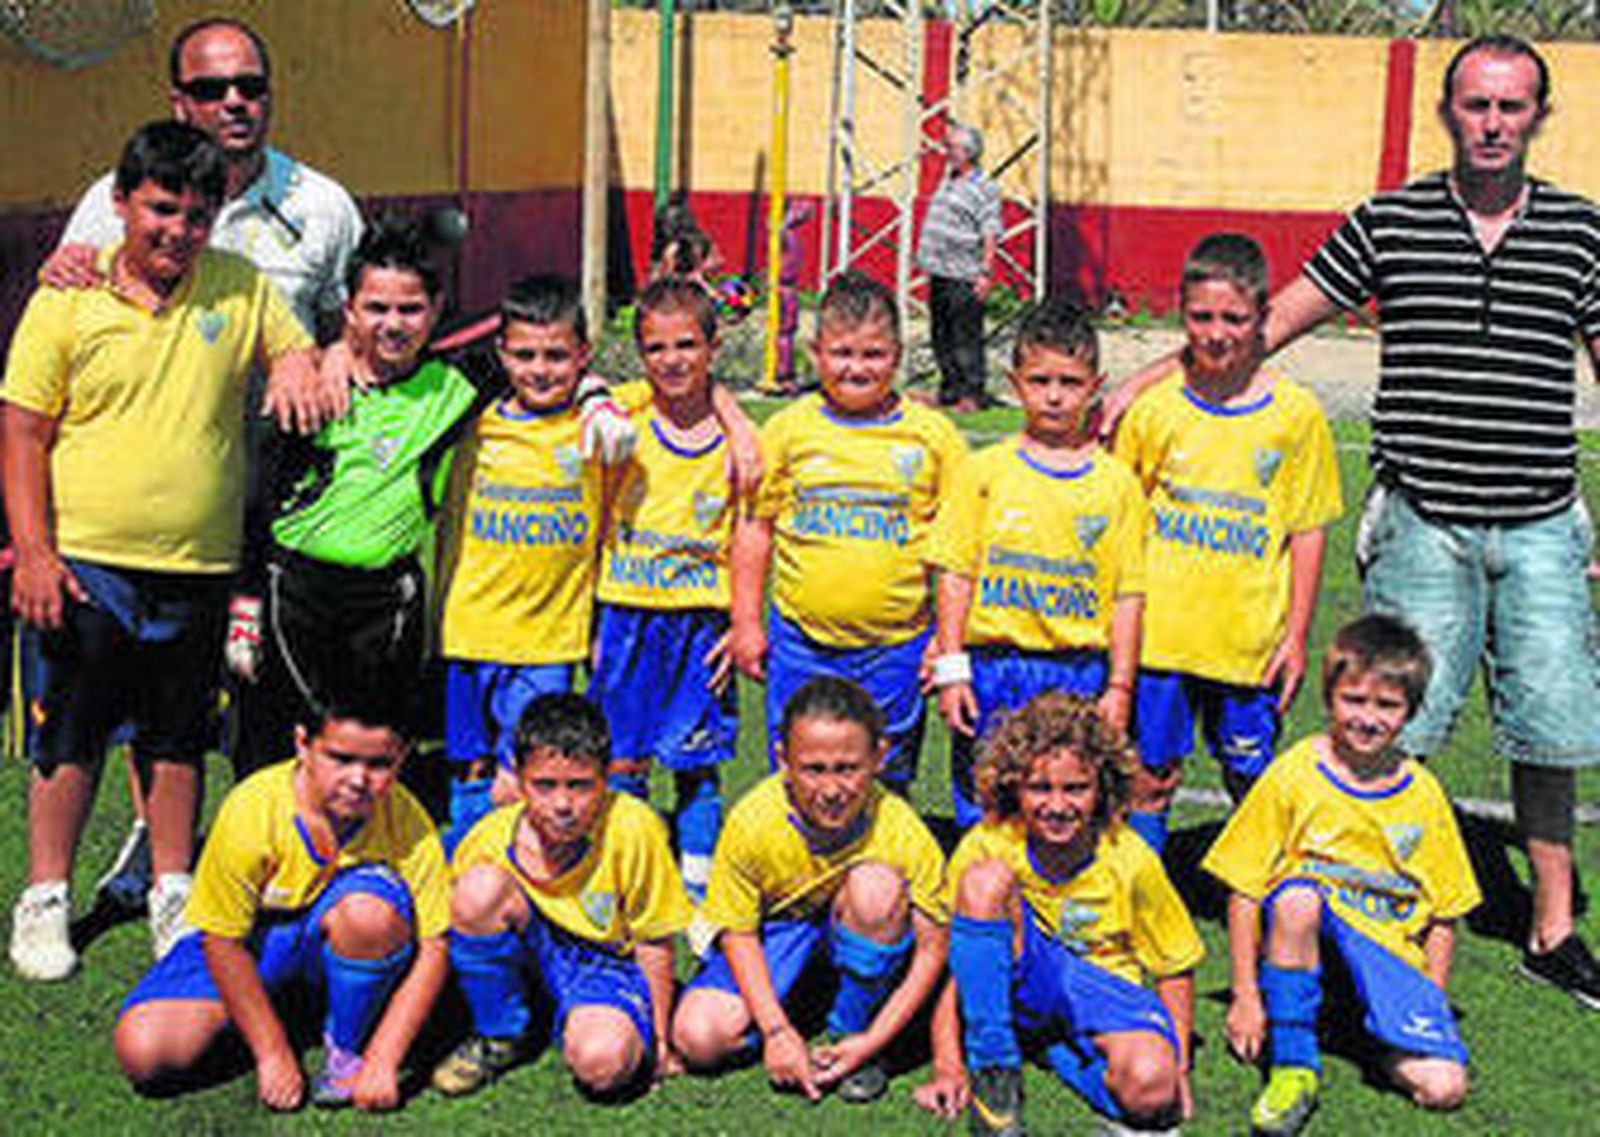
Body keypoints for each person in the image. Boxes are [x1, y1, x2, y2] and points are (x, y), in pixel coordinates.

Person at [1109, 34, 1600, 1004]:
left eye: (1511, 107)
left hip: (1541, 521)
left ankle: (1552, 929)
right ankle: (1365, 916)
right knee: (1388, 731)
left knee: (1548, 734)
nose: (1492, 123)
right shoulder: (1389, 219)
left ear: (1538, 116)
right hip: (1421, 521)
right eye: (1475, 105)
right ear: (1447, 112)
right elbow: (1275, 318)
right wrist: (1149, 373)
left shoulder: (1582, 232)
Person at [37, 15, 364, 912]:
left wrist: (315, 354)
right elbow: (65, 319)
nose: (235, 103)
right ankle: (154, 853)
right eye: (213, 89)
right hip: (151, 504)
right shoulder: (108, 198)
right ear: (177, 99)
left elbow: (354, 327)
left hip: (285, 498)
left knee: (266, 688)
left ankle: (279, 850)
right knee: (146, 697)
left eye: (250, 87)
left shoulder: (324, 204)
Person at [4, 121, 331, 980]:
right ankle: (44, 896)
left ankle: (172, 888)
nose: (177, 230)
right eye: (160, 209)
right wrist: (33, 550)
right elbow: (24, 431)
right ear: (121, 205)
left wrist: (295, 363)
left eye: (195, 214)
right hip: (85, 565)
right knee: (66, 738)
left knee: (177, 738)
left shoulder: (239, 285)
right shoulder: (65, 298)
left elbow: (296, 348)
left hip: (198, 566)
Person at [1202, 615, 1479, 1134]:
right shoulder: (1295, 772)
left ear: (1410, 712)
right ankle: (1294, 1064)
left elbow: (1445, 914)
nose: (1368, 718)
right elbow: (1243, 888)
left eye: (1387, 705)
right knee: (1298, 898)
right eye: (1355, 700)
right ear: (1330, 698)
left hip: (1383, 961)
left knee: (1444, 1088)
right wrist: (1245, 995)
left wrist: (1428, 1001)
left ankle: (1364, 1033)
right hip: (1305, 943)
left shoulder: (1422, 793)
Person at [1112, 233, 1341, 852]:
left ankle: (1264, 900)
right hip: (1161, 639)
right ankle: (1147, 902)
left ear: (1263, 319)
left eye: (1234, 318)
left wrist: (1295, 635)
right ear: (1180, 315)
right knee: (1150, 778)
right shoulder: (1154, 410)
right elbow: (1122, 525)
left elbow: (1308, 530)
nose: (1216, 333)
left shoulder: (1296, 415)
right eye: (1201, 316)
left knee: (1250, 777)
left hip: (1249, 643)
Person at [111, 694, 450, 1112]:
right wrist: (271, 1052)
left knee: (370, 914)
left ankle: (347, 1045)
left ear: (402, 758)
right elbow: (222, 941)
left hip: (345, 929)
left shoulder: (407, 818)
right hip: (257, 941)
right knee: (144, 1050)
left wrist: (384, 1059)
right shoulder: (252, 809)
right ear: (302, 745)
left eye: (379, 764)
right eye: (340, 758)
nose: (358, 779)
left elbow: (436, 945)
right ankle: (287, 1011)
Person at [236, 216, 486, 773]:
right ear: (349, 309)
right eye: (376, 308)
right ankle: (267, 851)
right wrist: (245, 599)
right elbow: (260, 496)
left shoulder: (457, 386)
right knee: (279, 741)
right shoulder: (312, 391)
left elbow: (541, 348)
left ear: (437, 309)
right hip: (293, 590)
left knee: (373, 747)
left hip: (387, 598)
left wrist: (593, 392)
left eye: (410, 309)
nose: (393, 325)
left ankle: (371, 854)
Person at [917, 691, 1200, 1134]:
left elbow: (1175, 967)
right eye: (1039, 787)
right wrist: (948, 1063)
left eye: (1075, 788)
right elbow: (957, 964)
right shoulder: (989, 843)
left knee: (1151, 1089)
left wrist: (1177, 1067)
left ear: (1102, 788)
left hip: (1101, 989)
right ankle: (995, 1071)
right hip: (1027, 974)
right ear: (1014, 786)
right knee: (983, 882)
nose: (1057, 805)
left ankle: (1058, 1051)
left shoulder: (1131, 857)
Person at [731, 270, 967, 794]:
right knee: (799, 772)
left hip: (897, 645)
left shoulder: (934, 437)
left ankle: (886, 869)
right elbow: (755, 530)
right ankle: (798, 869)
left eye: (873, 354)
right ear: (816, 352)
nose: (856, 368)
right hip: (801, 642)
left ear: (899, 354)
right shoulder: (789, 430)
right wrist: (747, 620)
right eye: (842, 353)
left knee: (887, 772)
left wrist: (947, 644)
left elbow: (958, 556)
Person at [671, 677, 949, 1105]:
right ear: (783, 759)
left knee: (877, 888)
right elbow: (738, 933)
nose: (832, 789)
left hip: (856, 919)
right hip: (780, 930)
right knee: (699, 1038)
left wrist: (873, 1041)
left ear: (879, 757)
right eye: (814, 769)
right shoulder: (753, 821)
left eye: (848, 768)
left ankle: (851, 1029)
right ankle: (800, 1006)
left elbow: (934, 948)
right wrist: (776, 1032)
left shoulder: (901, 828)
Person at [929, 298, 1147, 829]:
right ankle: (982, 907)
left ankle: (1058, 904)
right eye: (1040, 380)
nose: (1054, 395)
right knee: (987, 802)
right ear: (1014, 382)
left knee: (1066, 805)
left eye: (1070, 382)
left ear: (1096, 386)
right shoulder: (982, 471)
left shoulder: (1117, 484)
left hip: (1077, 670)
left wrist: (1119, 686)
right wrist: (952, 669)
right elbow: (955, 574)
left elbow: (1128, 595)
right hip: (994, 666)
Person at [431, 693, 692, 1098]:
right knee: (477, 891)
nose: (563, 804)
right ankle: (501, 1032)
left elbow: (654, 938)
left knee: (602, 1064)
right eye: (545, 785)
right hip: (533, 949)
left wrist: (660, 1040)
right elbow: (445, 926)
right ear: (518, 778)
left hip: (605, 964)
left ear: (606, 777)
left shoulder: (634, 827)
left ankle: (587, 1019)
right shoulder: (488, 836)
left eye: (580, 786)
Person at [590, 279, 752, 903]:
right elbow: (587, 390)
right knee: (623, 755)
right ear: (639, 354)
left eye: (687, 345)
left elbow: (746, 536)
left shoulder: (738, 447)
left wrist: (741, 622)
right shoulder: (624, 415)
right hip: (626, 613)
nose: (672, 360)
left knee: (696, 757)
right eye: (656, 348)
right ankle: (632, 857)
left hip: (700, 621)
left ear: (713, 347)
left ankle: (698, 870)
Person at [434, 276, 609, 851]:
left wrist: (598, 394)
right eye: (526, 354)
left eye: (557, 355)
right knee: (472, 763)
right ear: (502, 353)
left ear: (583, 354)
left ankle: (528, 874)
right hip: (468, 630)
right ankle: (467, 862)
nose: (540, 369)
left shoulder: (599, 425)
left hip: (549, 639)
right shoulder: (469, 421)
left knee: (532, 769)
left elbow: (695, 399)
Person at [916, 122, 1002, 412]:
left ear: (968, 152)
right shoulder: (949, 180)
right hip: (940, 272)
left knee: (966, 337)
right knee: (942, 334)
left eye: (951, 147)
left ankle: (971, 394)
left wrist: (986, 273)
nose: (946, 152)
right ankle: (949, 390)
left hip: (965, 274)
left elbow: (990, 231)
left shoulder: (984, 187)